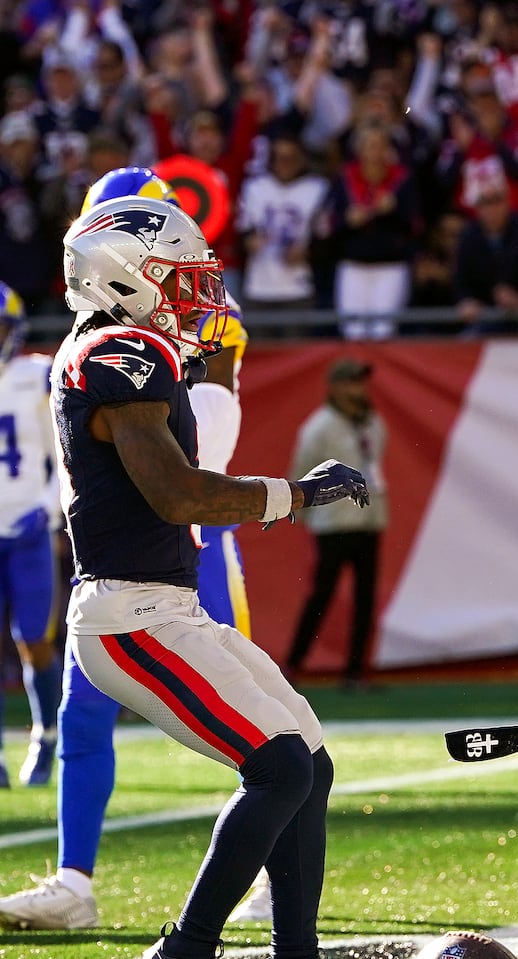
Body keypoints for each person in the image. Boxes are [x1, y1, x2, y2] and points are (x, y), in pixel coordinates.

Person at [45, 193, 367, 959]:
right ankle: (186, 947)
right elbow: (180, 491)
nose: (196, 294)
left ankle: (298, 949)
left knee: (310, 764)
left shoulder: (119, 350)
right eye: (178, 277)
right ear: (121, 279)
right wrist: (295, 493)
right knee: (279, 767)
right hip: (130, 616)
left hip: (166, 606)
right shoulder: (117, 354)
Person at [0, 166, 276, 930]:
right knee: (81, 710)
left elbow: (213, 438)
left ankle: (270, 870)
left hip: (198, 538)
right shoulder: (99, 335)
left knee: (254, 719)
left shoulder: (192, 318)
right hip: (123, 550)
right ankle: (72, 882)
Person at [287, 357, 389, 689]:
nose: (357, 388)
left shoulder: (371, 421)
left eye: (360, 382)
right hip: (332, 523)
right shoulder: (320, 426)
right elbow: (302, 469)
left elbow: (375, 463)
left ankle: (356, 670)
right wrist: (299, 511)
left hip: (368, 520)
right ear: (335, 387)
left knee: (366, 598)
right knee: (322, 596)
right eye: (350, 382)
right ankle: (292, 665)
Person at [0, 282, 61, 789]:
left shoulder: (36, 375)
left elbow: (64, 455)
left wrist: (47, 509)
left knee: (35, 640)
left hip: (27, 527)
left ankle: (46, 735)